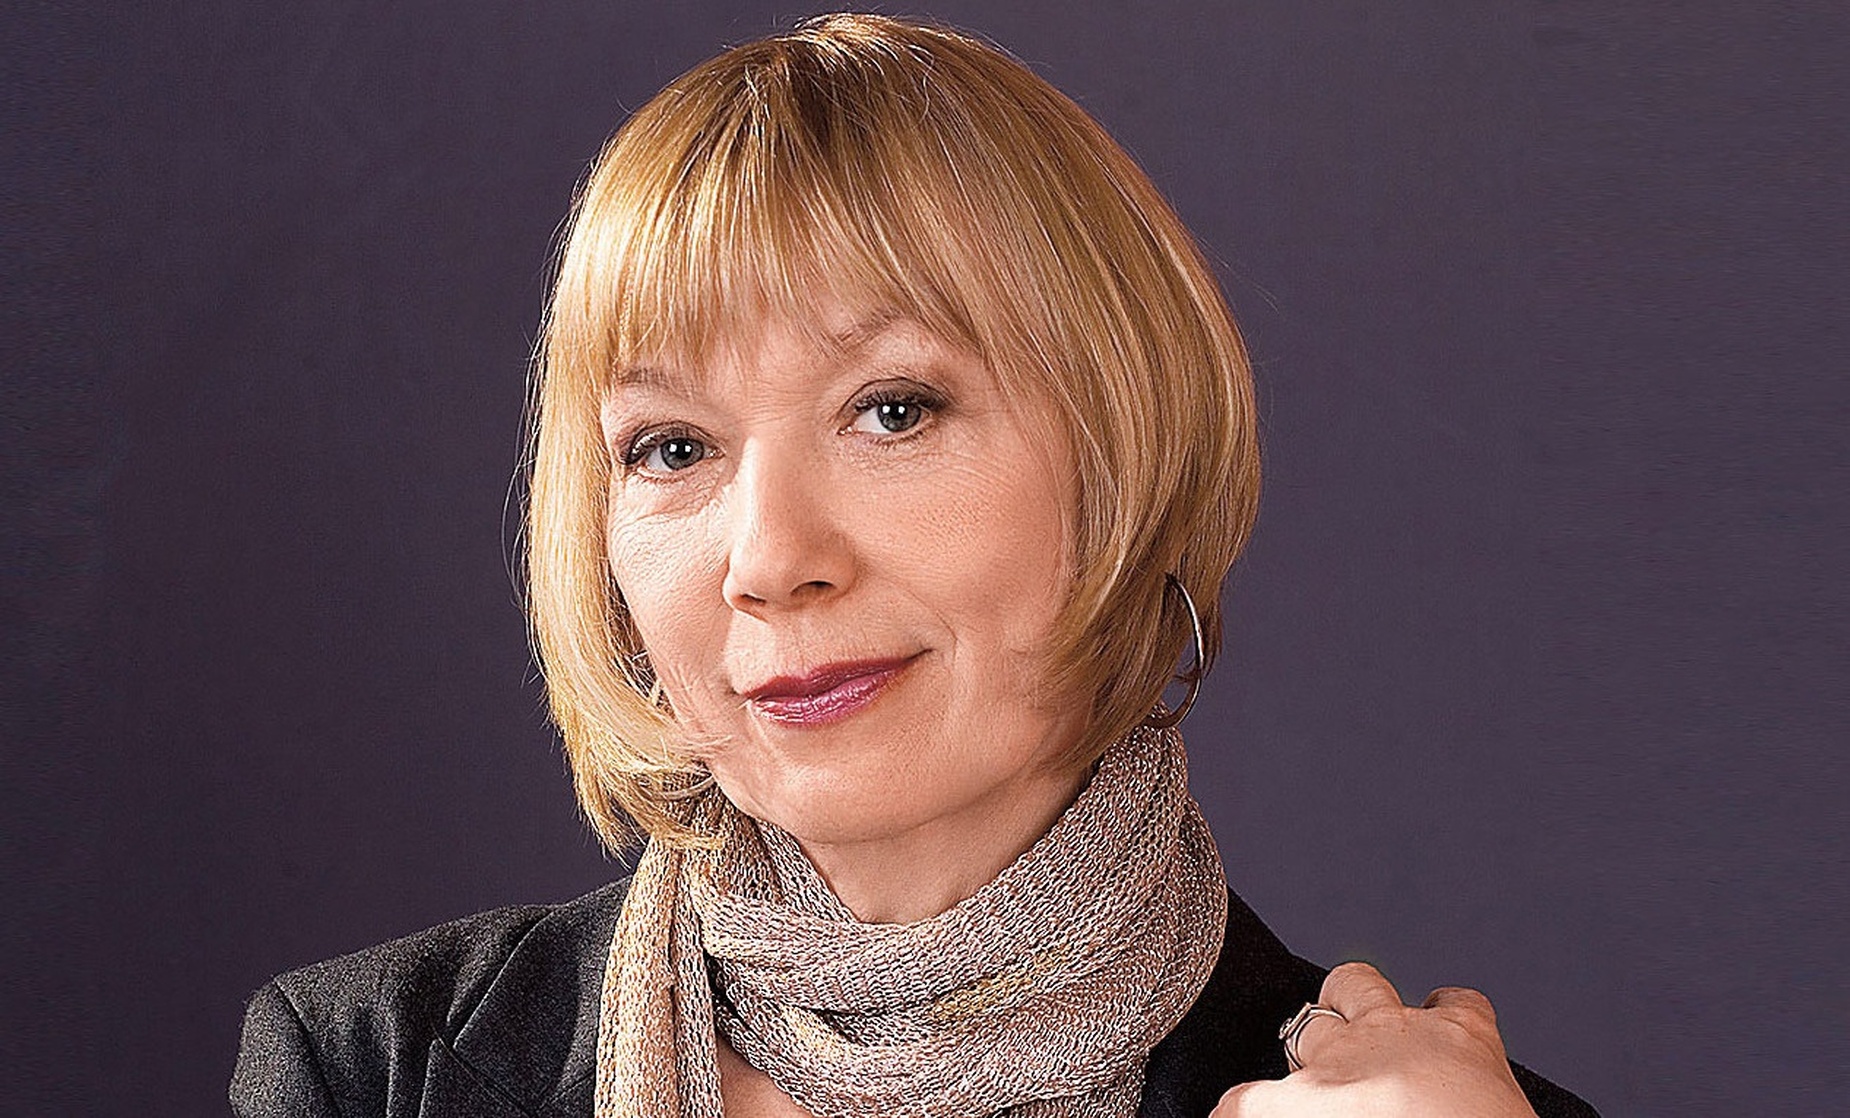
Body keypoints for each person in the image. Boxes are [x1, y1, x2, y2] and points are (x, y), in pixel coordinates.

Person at [231, 14, 1597, 1118]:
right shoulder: (368, 1070)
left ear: (1125, 453)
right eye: (671, 447)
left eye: (892, 410)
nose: (770, 560)